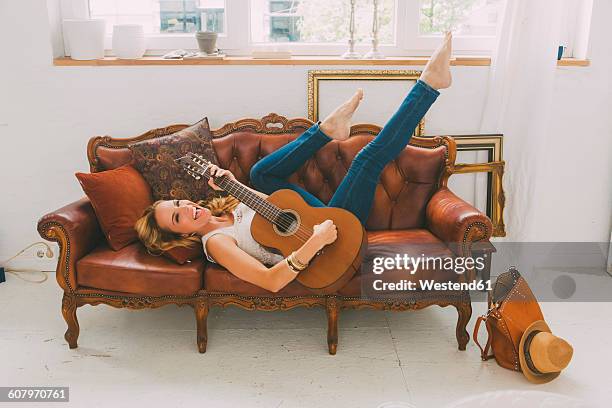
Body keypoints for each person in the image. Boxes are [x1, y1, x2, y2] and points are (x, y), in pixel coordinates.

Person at [135, 33, 454, 293]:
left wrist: (231, 184)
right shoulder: (216, 243)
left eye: (178, 202)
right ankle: (428, 86)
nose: (187, 208)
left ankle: (326, 131)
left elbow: (274, 207)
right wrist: (316, 241)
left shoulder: (225, 208)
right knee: (367, 159)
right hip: (332, 245)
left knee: (261, 173)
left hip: (314, 220)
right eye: (178, 218)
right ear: (179, 236)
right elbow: (269, 281)